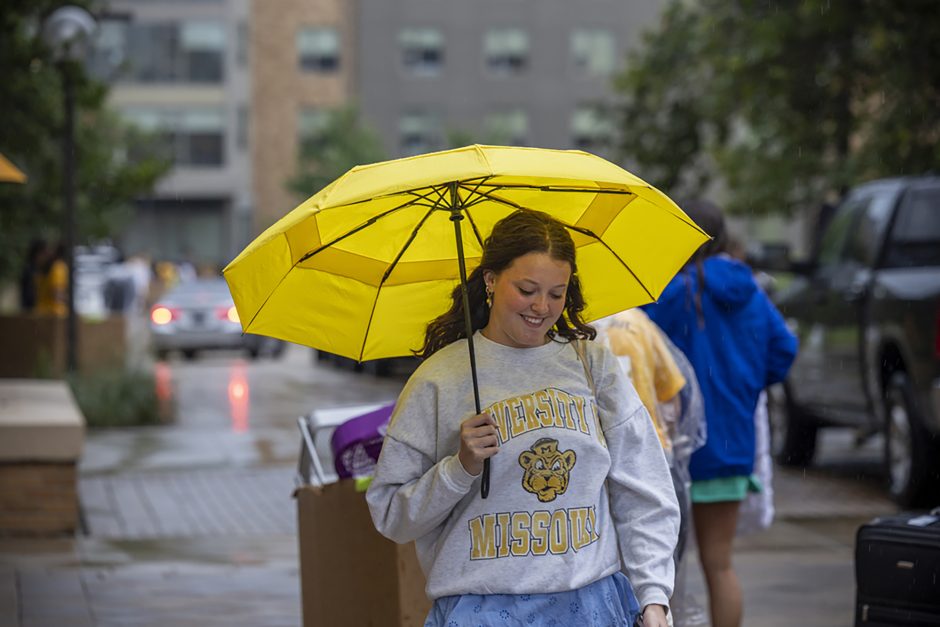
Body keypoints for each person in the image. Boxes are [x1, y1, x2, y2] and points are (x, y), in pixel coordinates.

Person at [367, 209, 680, 627]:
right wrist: (459, 469)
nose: (541, 307)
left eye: (557, 293)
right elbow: (392, 516)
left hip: (591, 608)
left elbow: (644, 492)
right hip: (479, 612)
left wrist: (654, 598)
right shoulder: (440, 379)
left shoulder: (593, 366)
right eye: (527, 289)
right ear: (491, 280)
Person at [644, 200, 798, 627]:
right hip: (731, 442)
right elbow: (784, 349)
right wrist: (746, 384)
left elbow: (639, 354)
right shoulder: (750, 289)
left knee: (661, 572)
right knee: (720, 564)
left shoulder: (669, 294)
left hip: (672, 450)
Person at [35, 242, 68, 316]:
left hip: (41, 312)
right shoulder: (59, 267)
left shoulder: (44, 268)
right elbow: (57, 294)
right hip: (55, 314)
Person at [19, 238, 48, 312]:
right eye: (44, 253)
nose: (46, 257)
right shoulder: (30, 270)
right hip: (31, 311)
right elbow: (29, 295)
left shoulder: (37, 269)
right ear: (37, 254)